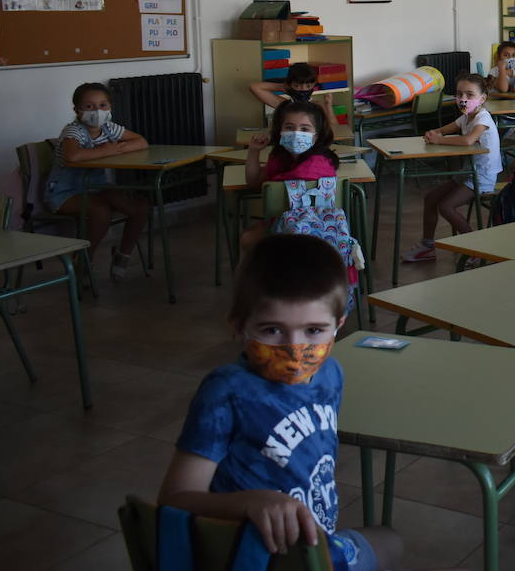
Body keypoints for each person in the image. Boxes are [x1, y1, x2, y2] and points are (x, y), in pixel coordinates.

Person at [159, 234, 403, 570]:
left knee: (390, 540)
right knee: (388, 542)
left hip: (314, 547)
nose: (294, 349)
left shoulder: (332, 374)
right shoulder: (226, 393)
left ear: (339, 326)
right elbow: (174, 502)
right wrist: (251, 503)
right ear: (238, 326)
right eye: (272, 330)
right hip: (252, 555)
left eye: (314, 331)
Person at [45, 82, 151, 280]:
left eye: (103, 105)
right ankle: (83, 260)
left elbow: (141, 142)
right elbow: (73, 156)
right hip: (65, 193)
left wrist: (117, 149)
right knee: (100, 210)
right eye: (89, 106)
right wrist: (105, 150)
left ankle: (123, 255)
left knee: (140, 206)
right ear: (77, 111)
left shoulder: (109, 128)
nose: (97, 111)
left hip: (97, 188)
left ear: (110, 108)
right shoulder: (73, 131)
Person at [402, 73, 500, 261]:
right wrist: (434, 133)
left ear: (482, 99)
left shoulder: (483, 119)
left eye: (469, 95)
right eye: (459, 94)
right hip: (467, 173)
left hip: (482, 176)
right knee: (431, 198)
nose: (463, 99)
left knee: (446, 207)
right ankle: (427, 246)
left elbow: (467, 140)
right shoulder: (465, 117)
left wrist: (439, 140)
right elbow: (447, 129)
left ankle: (475, 250)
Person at [241, 101, 340, 253]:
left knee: (248, 238)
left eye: (305, 129)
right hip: (309, 229)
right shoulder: (280, 159)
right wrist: (254, 151)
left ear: (316, 135)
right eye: (289, 127)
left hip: (317, 229)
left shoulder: (319, 164)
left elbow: (255, 184)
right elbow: (253, 181)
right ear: (280, 130)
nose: (296, 133)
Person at [250, 62, 343, 135]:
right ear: (289, 85)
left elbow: (335, 129)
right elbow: (255, 87)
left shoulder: (318, 106)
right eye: (297, 86)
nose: (303, 89)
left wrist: (328, 106)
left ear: (314, 85)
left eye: (308, 86)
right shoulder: (284, 104)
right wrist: (281, 86)